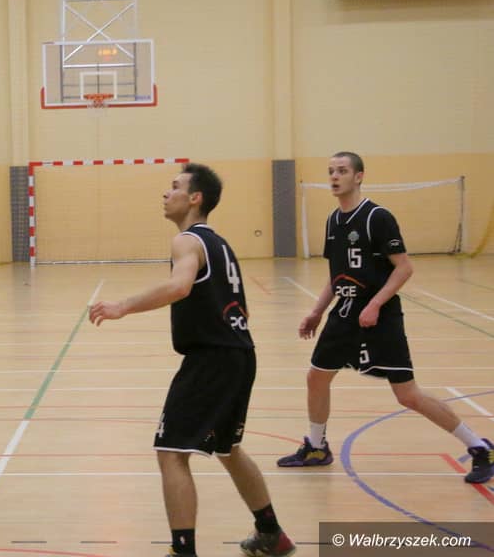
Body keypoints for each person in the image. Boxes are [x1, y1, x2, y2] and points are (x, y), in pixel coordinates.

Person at [90, 164, 295, 557]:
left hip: (211, 359)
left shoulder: (186, 241)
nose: (166, 194)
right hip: (240, 354)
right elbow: (239, 307)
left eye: (175, 187)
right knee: (228, 449)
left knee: (171, 452)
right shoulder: (220, 245)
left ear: (195, 198)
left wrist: (122, 306)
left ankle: (182, 551)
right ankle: (271, 533)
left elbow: (180, 286)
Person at [277, 151, 493, 484]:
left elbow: (404, 268)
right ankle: (317, 448)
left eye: (342, 171)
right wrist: (317, 311)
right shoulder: (333, 221)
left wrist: (376, 303)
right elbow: (336, 275)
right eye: (331, 171)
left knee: (407, 395)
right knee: (316, 378)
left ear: (359, 176)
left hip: (380, 316)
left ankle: (480, 447)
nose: (334, 176)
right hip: (345, 313)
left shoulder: (377, 217)